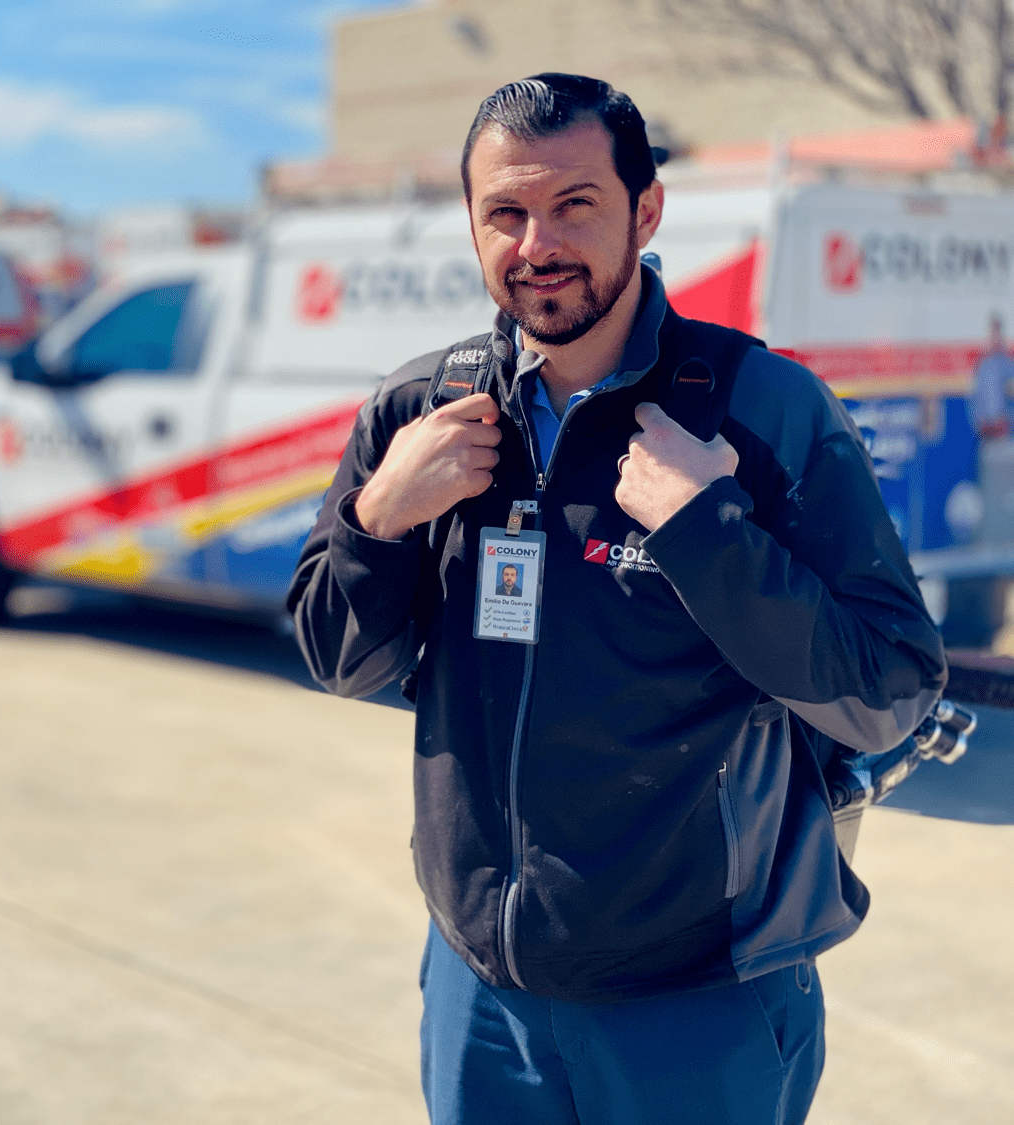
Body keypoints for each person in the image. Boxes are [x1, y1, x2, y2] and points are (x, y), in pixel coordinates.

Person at [288, 74, 946, 1125]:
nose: (536, 242)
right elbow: (338, 658)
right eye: (504, 212)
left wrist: (705, 532)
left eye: (574, 205)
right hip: (482, 988)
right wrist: (382, 515)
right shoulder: (421, 411)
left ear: (646, 212)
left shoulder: (760, 410)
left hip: (695, 1003)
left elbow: (889, 687)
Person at [971, 313, 1014, 439]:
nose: (996, 336)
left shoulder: (1008, 364)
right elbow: (975, 397)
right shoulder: (983, 365)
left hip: (1005, 431)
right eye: (993, 330)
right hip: (985, 431)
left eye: (998, 330)